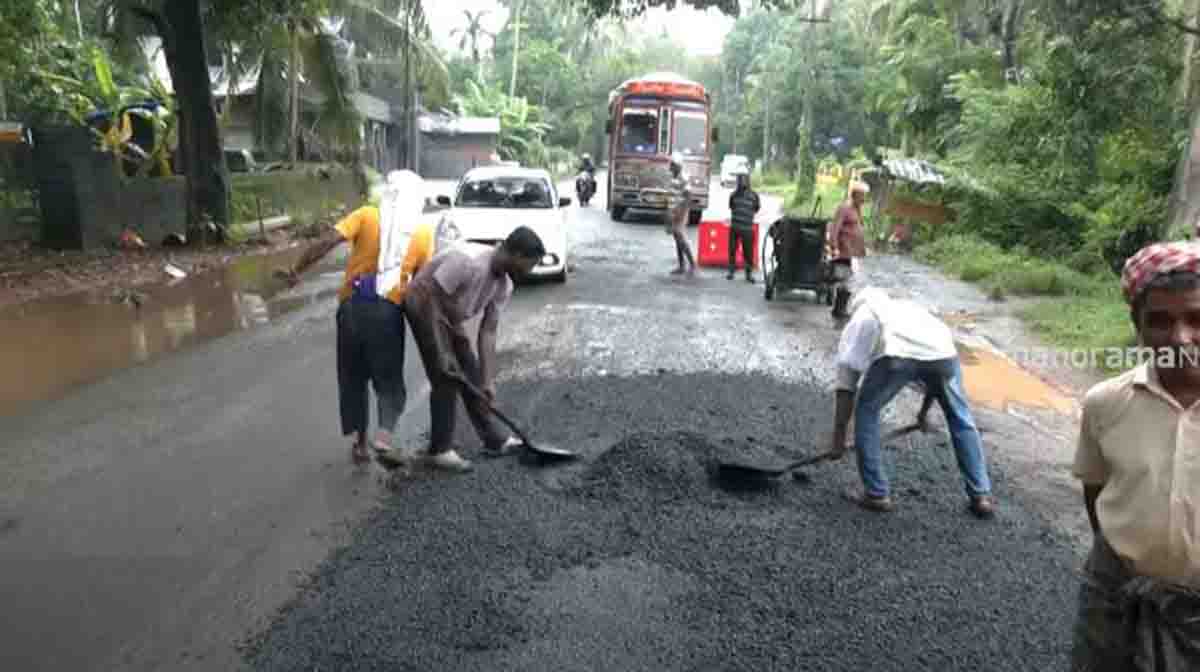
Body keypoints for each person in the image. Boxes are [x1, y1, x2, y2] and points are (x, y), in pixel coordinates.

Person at [1070, 241, 1200, 672]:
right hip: (1115, 592)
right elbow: (1096, 488)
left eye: (1197, 318)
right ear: (1137, 325)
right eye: (1160, 321)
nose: (1181, 338)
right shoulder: (1106, 403)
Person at [279, 170, 436, 465]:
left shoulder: (366, 215)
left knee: (353, 377)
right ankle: (384, 437)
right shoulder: (423, 232)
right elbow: (421, 285)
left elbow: (327, 241)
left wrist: (296, 270)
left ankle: (361, 445)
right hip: (387, 314)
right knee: (388, 380)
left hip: (351, 309)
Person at [825, 287, 995, 517]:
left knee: (867, 410)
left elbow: (846, 385)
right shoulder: (907, 309)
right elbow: (933, 371)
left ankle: (876, 493)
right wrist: (923, 414)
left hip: (899, 355)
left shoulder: (862, 319)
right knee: (960, 418)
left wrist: (838, 437)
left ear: (855, 306)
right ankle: (981, 495)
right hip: (944, 354)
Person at [399, 227, 546, 472]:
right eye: (529, 264)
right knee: (446, 372)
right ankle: (440, 450)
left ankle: (494, 440)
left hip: (448, 310)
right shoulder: (467, 260)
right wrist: (446, 348)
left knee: (471, 370)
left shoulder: (504, 286)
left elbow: (488, 332)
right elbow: (432, 293)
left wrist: (488, 381)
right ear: (517, 254)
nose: (529, 271)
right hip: (423, 300)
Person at [826, 181, 869, 318]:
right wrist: (834, 246)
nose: (864, 200)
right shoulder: (844, 208)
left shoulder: (857, 209)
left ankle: (840, 308)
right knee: (845, 278)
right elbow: (835, 228)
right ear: (855, 195)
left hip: (851, 251)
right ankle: (839, 310)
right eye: (862, 196)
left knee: (847, 278)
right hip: (843, 250)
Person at [665, 153, 697, 276]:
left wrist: (680, 212)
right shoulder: (674, 177)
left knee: (680, 238)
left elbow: (688, 197)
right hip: (673, 211)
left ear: (678, 165)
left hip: (679, 212)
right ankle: (682, 266)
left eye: (672, 165)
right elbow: (672, 195)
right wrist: (668, 210)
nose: (670, 167)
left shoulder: (683, 177)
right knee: (677, 239)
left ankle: (692, 265)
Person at [727, 172, 761, 283]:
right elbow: (731, 206)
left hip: (747, 228)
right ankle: (731, 270)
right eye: (741, 180)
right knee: (732, 249)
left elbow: (756, 208)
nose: (742, 183)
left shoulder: (754, 195)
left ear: (748, 182)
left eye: (744, 180)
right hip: (735, 227)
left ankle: (748, 273)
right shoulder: (733, 195)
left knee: (748, 252)